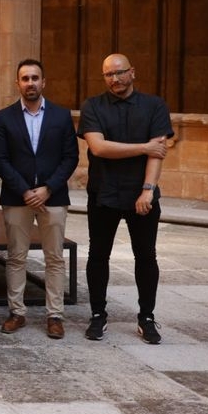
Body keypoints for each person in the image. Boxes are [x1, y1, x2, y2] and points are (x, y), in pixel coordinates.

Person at [79, 53, 173, 344]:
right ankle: (98, 314)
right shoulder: (93, 106)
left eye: (120, 73)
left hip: (140, 195)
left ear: (133, 72)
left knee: (146, 256)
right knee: (98, 256)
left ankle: (147, 317)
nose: (115, 79)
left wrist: (148, 189)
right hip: (103, 192)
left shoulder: (155, 106)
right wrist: (144, 146)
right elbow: (99, 148)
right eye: (108, 74)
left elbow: (157, 153)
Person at [0, 58, 78, 339]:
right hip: (18, 198)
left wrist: (48, 188)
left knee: (54, 258)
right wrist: (26, 190)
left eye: (35, 78)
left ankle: (55, 315)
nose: (30, 83)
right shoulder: (4, 117)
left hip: (53, 198)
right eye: (25, 78)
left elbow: (70, 157)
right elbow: (0, 159)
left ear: (44, 82)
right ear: (18, 83)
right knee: (16, 257)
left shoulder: (61, 116)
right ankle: (17, 312)